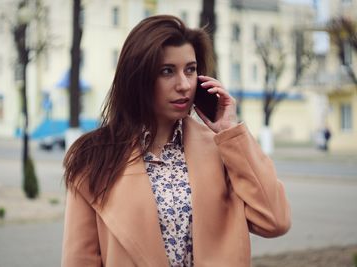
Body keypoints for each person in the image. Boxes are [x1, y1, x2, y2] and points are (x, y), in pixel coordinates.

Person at [62, 15, 291, 267]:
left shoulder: (221, 147)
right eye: (167, 71)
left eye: (190, 70)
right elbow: (80, 260)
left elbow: (275, 221)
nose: (184, 85)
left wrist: (230, 132)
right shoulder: (93, 156)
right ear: (138, 78)